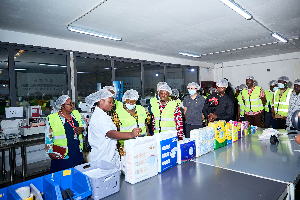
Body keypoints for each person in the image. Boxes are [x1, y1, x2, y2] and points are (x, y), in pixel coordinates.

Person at [86, 90, 141, 167]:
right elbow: (110, 133)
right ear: (101, 101)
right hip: (102, 158)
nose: (112, 104)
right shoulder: (99, 117)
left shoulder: (103, 115)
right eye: (110, 102)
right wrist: (130, 134)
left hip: (109, 156)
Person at [45, 95, 86, 173]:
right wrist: (49, 152)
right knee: (63, 174)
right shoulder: (52, 118)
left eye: (72, 103)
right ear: (62, 106)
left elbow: (84, 125)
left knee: (76, 173)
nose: (72, 106)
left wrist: (82, 128)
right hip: (62, 153)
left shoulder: (76, 114)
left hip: (76, 150)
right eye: (69, 104)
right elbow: (48, 136)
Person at [115, 89, 151, 155]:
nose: (132, 104)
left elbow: (145, 124)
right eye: (129, 102)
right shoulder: (118, 112)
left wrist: (148, 137)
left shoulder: (141, 109)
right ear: (124, 100)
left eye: (134, 102)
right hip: (126, 145)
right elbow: (116, 131)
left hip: (142, 143)